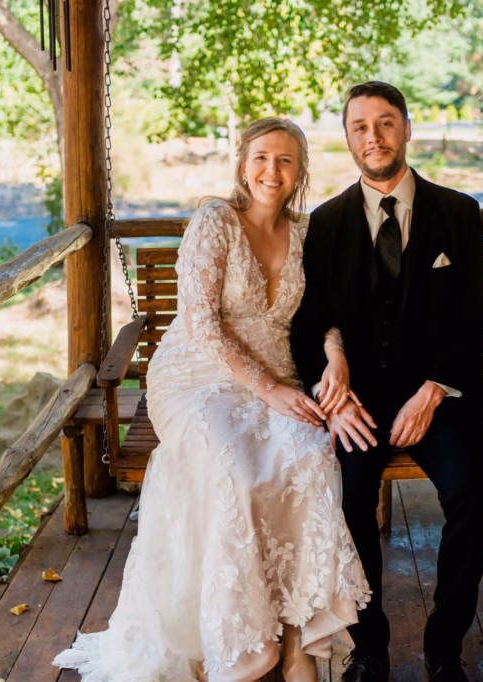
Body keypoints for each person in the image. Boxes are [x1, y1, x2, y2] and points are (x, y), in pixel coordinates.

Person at [53, 117, 369, 682]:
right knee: (235, 471)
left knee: (312, 458)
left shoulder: (303, 233)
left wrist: (335, 351)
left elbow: (323, 312)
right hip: (197, 377)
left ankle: (299, 638)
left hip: (282, 375)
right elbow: (201, 323)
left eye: (286, 160)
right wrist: (266, 387)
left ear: (300, 173)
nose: (273, 170)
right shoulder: (214, 221)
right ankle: (240, 645)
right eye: (262, 158)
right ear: (243, 165)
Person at [289, 82, 483, 682]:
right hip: (361, 402)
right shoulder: (324, 224)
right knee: (347, 499)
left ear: (406, 129)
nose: (373, 137)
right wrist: (335, 397)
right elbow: (308, 321)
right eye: (360, 126)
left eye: (385, 123)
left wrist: (435, 388)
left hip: (439, 392)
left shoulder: (458, 212)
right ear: (348, 139)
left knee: (474, 498)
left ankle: (444, 646)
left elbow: (475, 310)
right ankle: (370, 645)